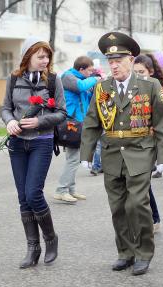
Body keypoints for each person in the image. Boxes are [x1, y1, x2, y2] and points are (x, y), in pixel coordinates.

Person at [80, 32, 163, 275]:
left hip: (140, 153)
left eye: (119, 60)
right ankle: (125, 252)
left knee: (137, 205)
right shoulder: (102, 88)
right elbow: (92, 122)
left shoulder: (149, 85)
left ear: (131, 60)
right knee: (118, 207)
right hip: (112, 154)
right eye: (110, 61)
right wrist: (86, 154)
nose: (114, 65)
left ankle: (143, 253)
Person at [1, 37, 66, 268]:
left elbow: (61, 113)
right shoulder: (13, 78)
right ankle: (32, 247)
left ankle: (50, 238)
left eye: (47, 56)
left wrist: (39, 121)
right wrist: (9, 122)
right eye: (40, 56)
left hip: (42, 141)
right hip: (17, 144)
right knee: (23, 198)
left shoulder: (53, 81)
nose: (45, 60)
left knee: (33, 193)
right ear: (28, 56)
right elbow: (6, 108)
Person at [133, 53, 163, 232]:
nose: (138, 75)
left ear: (151, 72)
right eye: (135, 72)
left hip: (150, 143)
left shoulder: (157, 89)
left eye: (141, 72)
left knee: (143, 184)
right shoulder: (132, 86)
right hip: (135, 143)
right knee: (141, 185)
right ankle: (152, 219)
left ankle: (153, 219)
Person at [54, 56, 99, 203]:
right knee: (74, 159)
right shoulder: (68, 76)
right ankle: (61, 190)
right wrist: (96, 79)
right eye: (90, 71)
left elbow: (87, 96)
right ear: (81, 69)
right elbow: (80, 87)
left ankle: (70, 189)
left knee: (73, 158)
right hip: (70, 123)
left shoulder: (82, 80)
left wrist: (94, 89)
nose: (91, 74)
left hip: (79, 123)